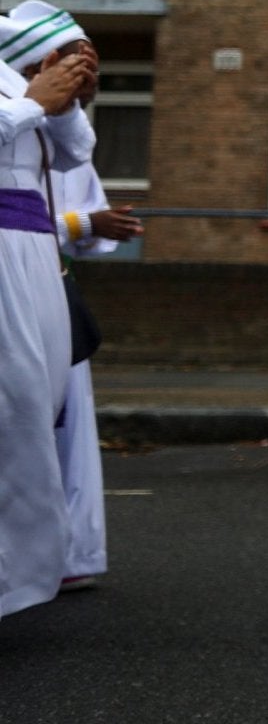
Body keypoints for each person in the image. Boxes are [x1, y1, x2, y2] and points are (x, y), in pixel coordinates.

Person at [0, 4, 95, 620]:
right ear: (44, 57)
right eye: (77, 56)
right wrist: (34, 99)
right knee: (13, 405)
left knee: (39, 403)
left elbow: (76, 154)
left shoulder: (32, 100)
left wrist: (66, 102)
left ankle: (21, 569)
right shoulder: (19, 97)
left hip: (33, 259)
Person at [50, 126, 143, 593]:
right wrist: (85, 224)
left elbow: (86, 227)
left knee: (68, 428)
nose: (85, 77)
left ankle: (69, 552)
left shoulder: (70, 140)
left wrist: (94, 225)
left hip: (53, 288)